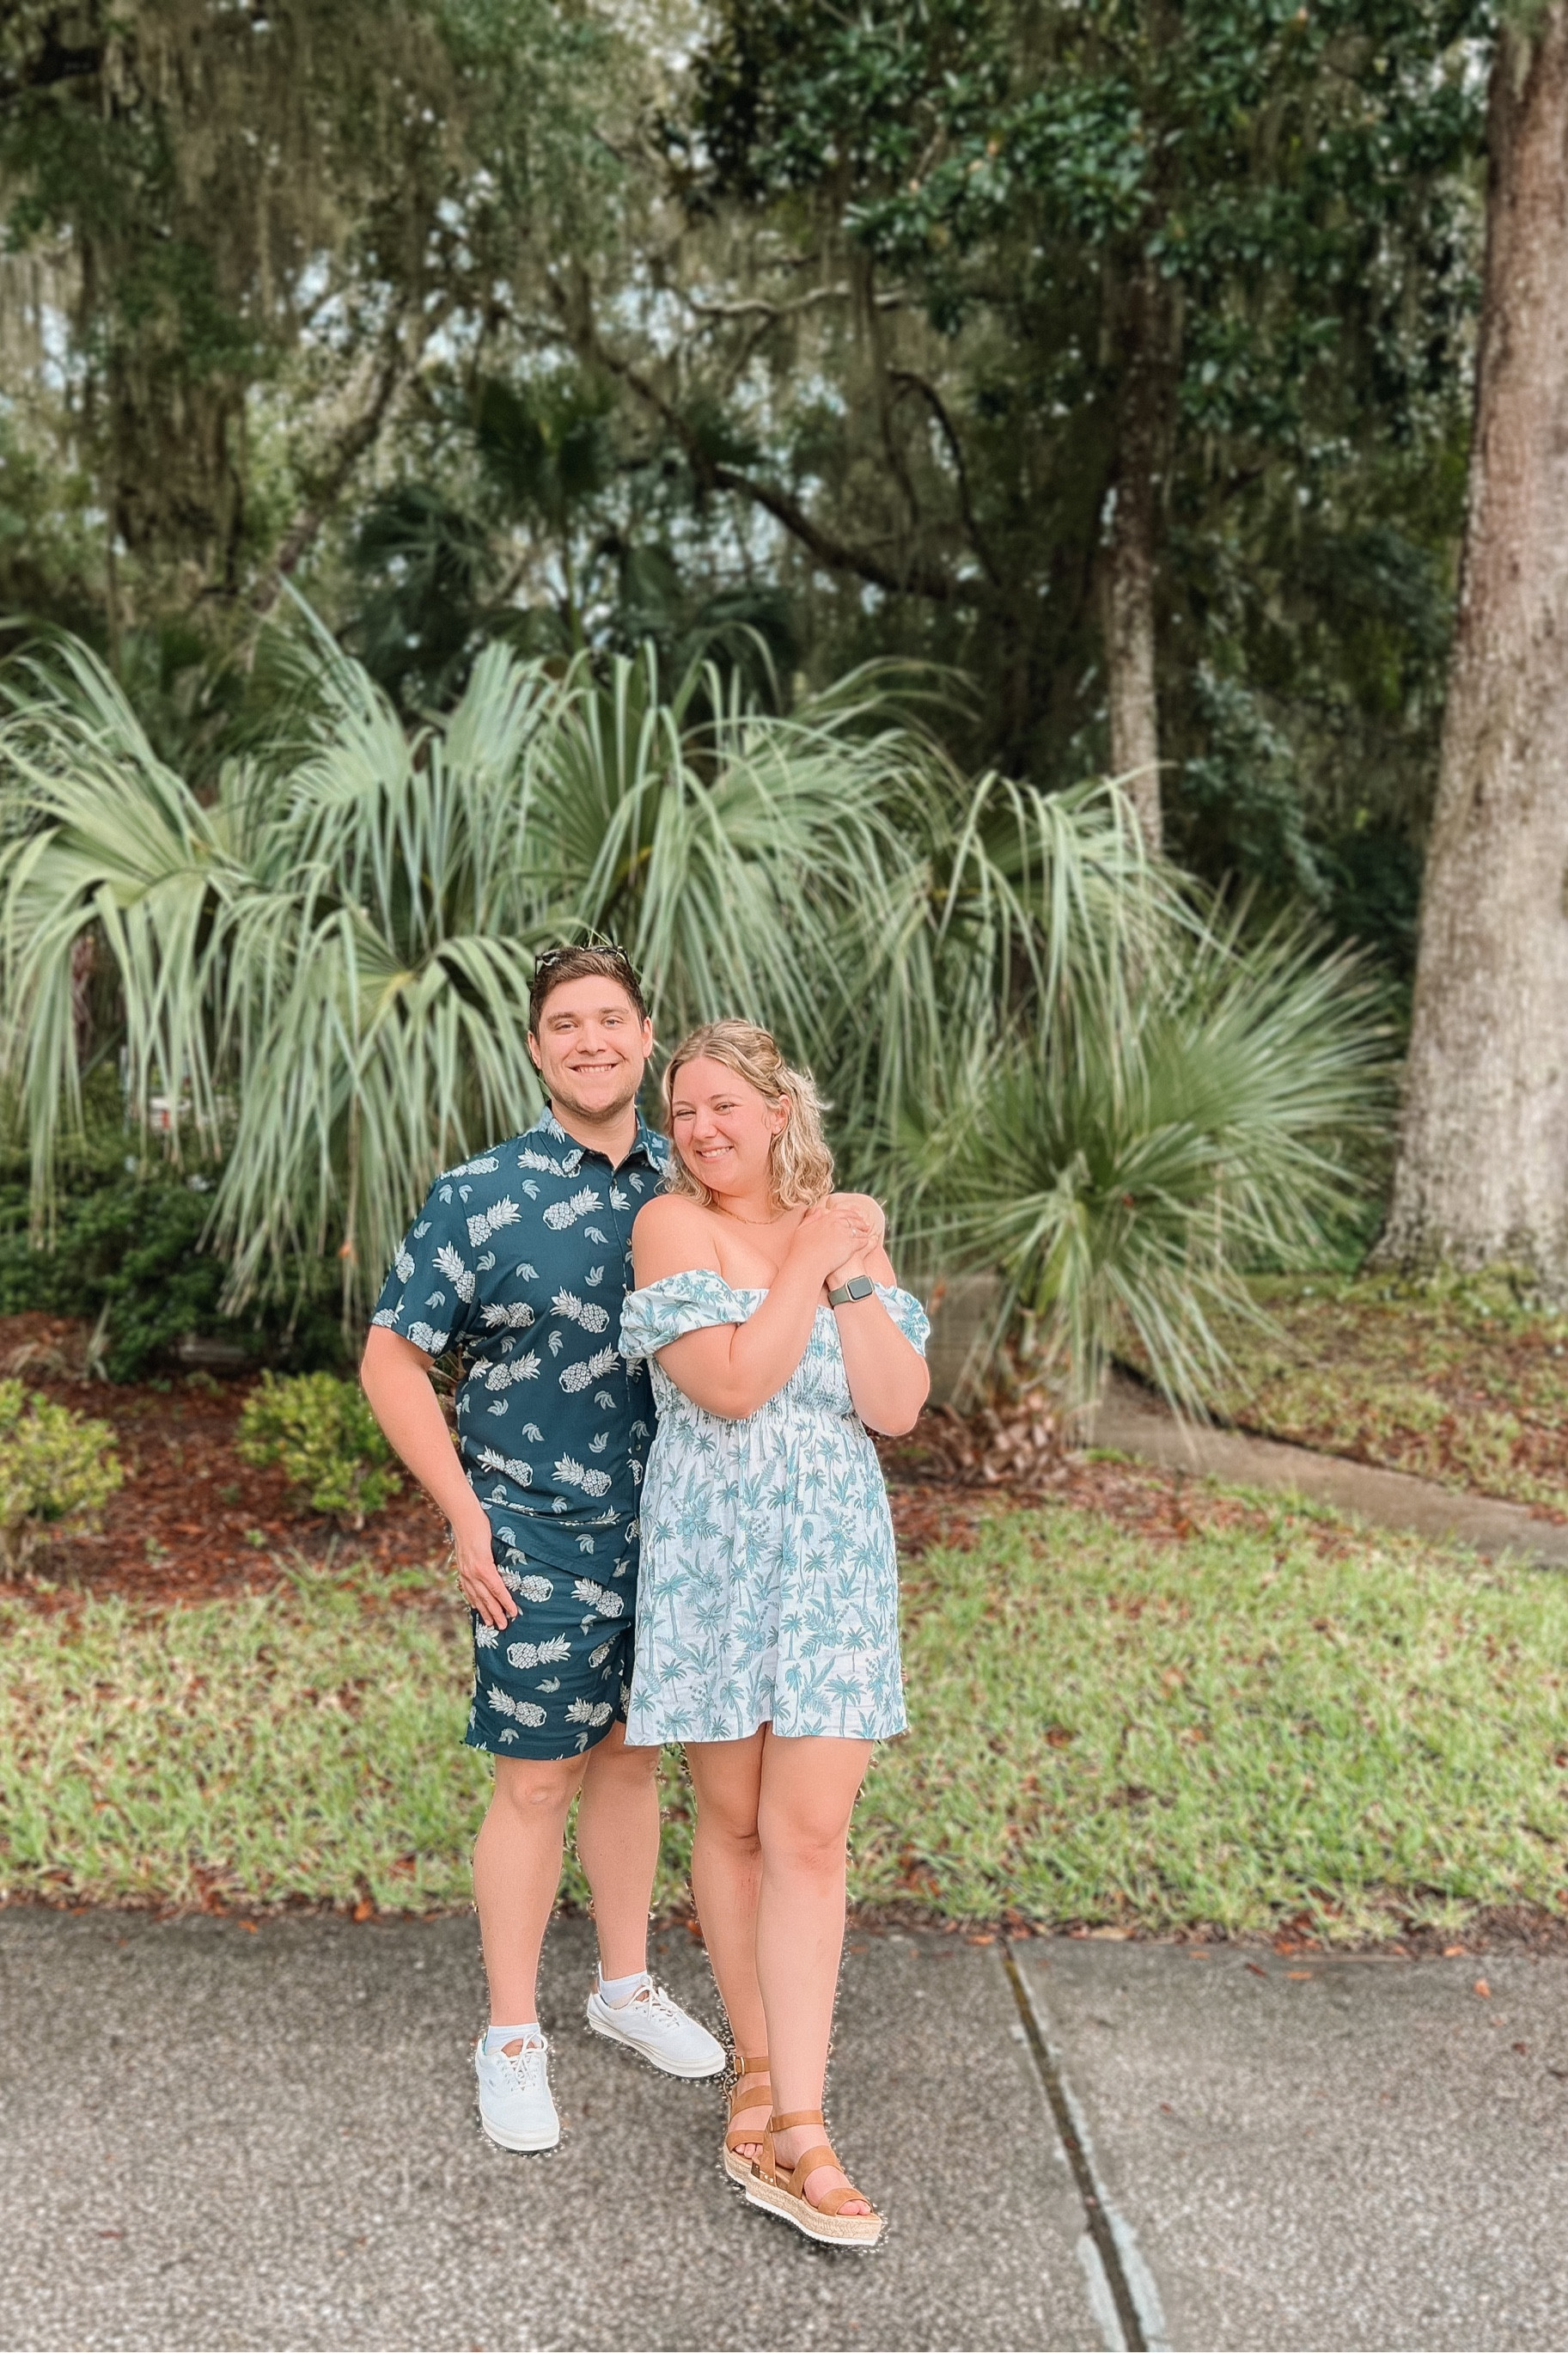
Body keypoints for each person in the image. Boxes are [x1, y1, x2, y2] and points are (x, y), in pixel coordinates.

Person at [360, 945, 723, 2156]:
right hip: (532, 1532)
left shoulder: (699, 1183)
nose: (588, 1039)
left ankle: (622, 1986)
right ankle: (510, 2033)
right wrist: (467, 1517)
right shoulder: (480, 1194)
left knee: (629, 1762)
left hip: (673, 1532)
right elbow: (390, 1359)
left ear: (644, 1034)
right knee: (534, 1778)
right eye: (563, 1023)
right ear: (534, 1046)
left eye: (609, 1019)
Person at [619, 1020, 930, 2247]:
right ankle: (754, 2071)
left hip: (829, 1566)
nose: (698, 1127)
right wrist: (809, 1250)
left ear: (777, 1108)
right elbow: (735, 1380)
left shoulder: (844, 1231)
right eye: (682, 1109)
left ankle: (799, 2122)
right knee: (734, 1823)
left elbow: (894, 1403)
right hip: (712, 1560)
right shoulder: (669, 1228)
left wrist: (848, 1268)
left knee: (809, 1834)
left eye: (720, 1105)